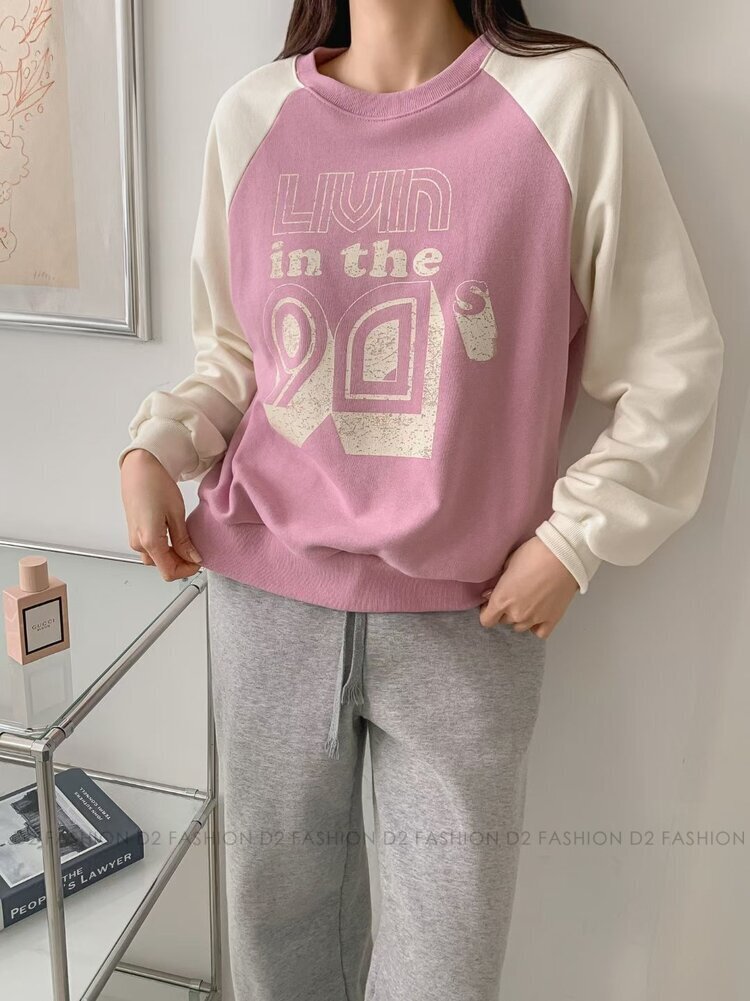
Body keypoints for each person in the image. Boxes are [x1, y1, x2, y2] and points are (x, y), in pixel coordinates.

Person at [118, 2, 724, 999]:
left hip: (469, 612)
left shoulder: (565, 101)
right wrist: (156, 448)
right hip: (266, 595)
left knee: (447, 963)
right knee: (275, 941)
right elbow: (234, 356)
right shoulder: (254, 113)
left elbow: (676, 365)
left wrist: (575, 540)